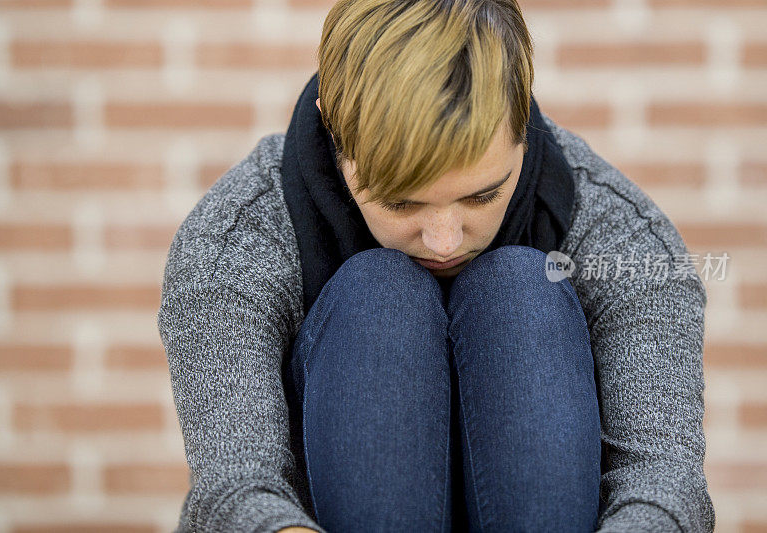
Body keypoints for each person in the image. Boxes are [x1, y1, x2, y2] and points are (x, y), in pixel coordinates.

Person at [156, 0, 716, 531]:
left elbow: (667, 484)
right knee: (381, 296)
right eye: (402, 203)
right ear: (333, 128)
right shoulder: (236, 239)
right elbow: (232, 490)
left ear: (523, 125)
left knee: (521, 289)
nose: (444, 242)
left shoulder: (625, 239)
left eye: (480, 196)